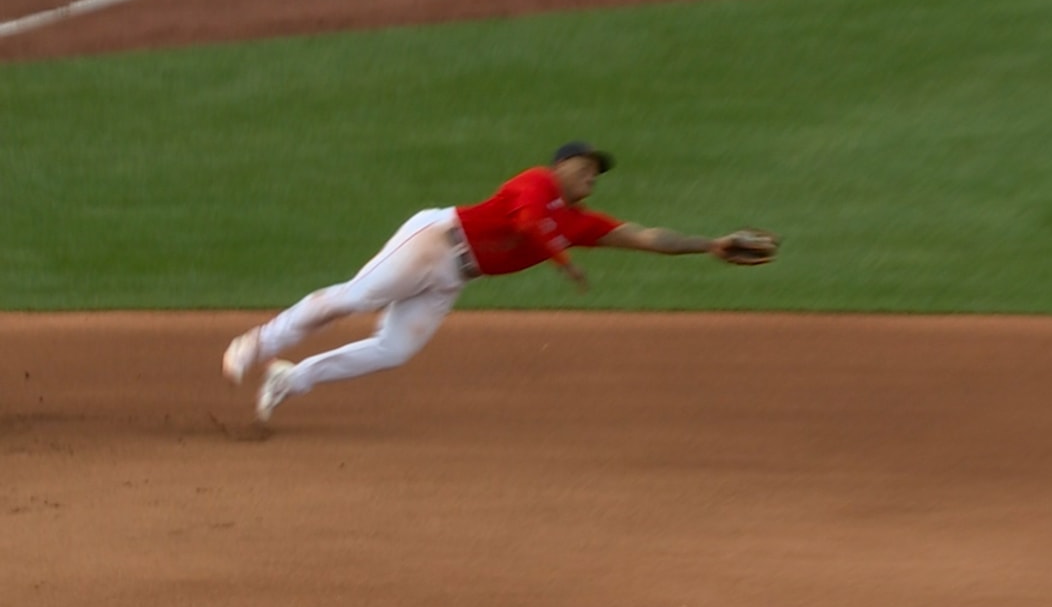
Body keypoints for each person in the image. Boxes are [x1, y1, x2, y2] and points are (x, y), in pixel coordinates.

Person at [222, 141, 776, 423]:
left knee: (393, 350)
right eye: (585, 166)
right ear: (560, 166)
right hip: (437, 240)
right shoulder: (535, 184)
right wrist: (563, 261)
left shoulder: (580, 222)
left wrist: (711, 244)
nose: (592, 176)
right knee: (357, 296)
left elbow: (647, 236)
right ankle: (259, 342)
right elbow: (524, 223)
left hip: (454, 277)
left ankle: (289, 379)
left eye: (595, 173)